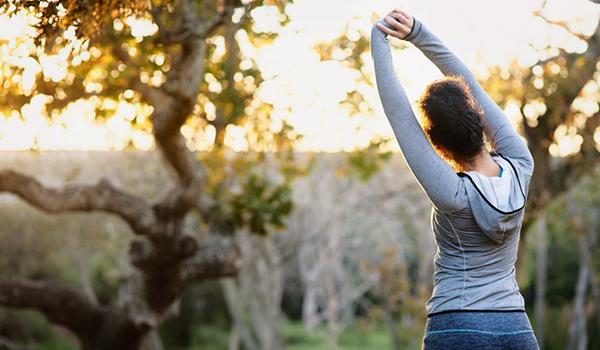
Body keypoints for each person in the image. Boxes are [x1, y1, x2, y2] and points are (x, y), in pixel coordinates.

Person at [371, 8, 540, 350]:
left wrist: (379, 37)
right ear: (480, 121)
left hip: (457, 324)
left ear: (442, 151)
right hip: (514, 327)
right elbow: (471, 86)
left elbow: (400, 116)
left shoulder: (452, 194)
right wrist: (419, 33)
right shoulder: (521, 164)